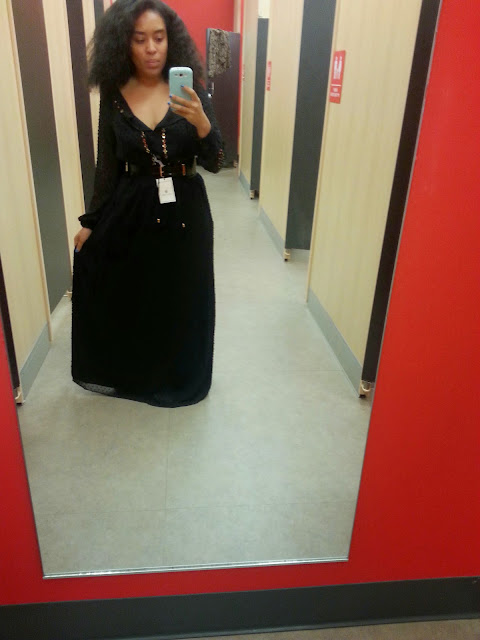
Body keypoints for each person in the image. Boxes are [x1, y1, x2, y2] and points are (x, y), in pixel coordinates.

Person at [71, 0, 223, 407]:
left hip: (186, 208)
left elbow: (216, 160)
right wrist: (91, 221)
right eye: (140, 39)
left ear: (171, 41)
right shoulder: (114, 94)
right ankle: (140, 374)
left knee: (184, 294)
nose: (151, 48)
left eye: (159, 38)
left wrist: (202, 123)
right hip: (132, 207)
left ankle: (182, 375)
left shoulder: (191, 90)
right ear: (124, 43)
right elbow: (107, 164)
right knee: (140, 292)